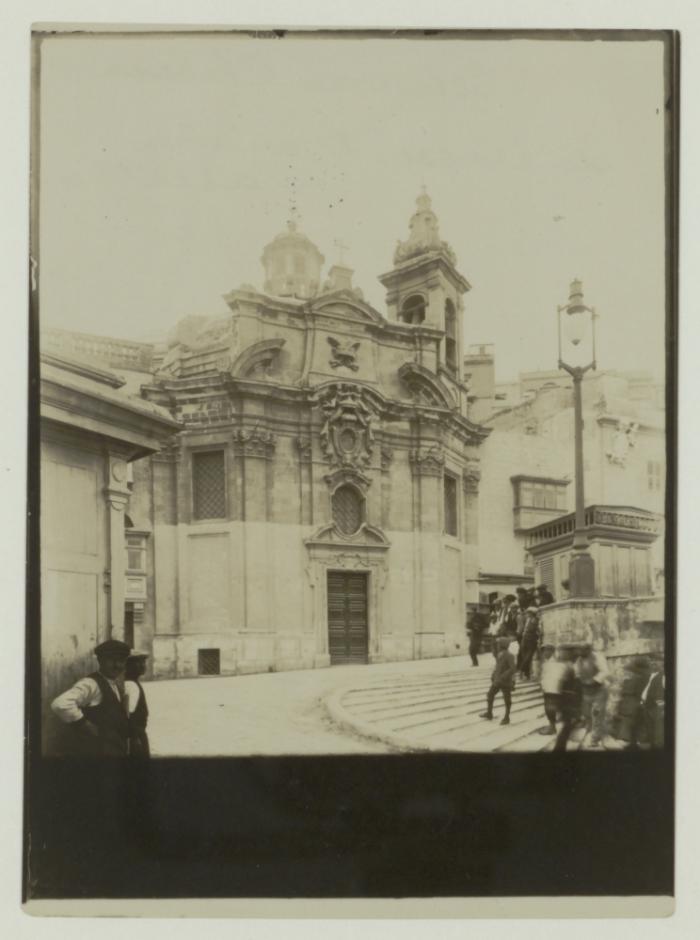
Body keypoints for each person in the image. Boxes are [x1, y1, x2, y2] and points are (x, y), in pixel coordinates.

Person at [51, 639, 132, 756]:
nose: (117, 665)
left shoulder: (114, 684)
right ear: (100, 660)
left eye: (121, 660)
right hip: (97, 753)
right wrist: (84, 724)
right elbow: (60, 704)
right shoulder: (91, 684)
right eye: (111, 660)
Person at [538, 644, 577, 750]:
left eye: (546, 650)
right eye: (543, 651)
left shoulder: (558, 661)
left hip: (555, 689)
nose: (544, 653)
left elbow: (558, 676)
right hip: (549, 688)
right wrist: (542, 684)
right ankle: (554, 727)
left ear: (551, 651)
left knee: (551, 709)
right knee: (550, 709)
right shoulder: (547, 661)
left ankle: (554, 728)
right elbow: (545, 674)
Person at [575, 643, 610, 748]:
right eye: (579, 650)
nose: (580, 652)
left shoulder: (597, 657)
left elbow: (605, 672)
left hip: (599, 690)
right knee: (586, 714)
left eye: (582, 650)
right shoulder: (579, 660)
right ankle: (591, 731)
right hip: (586, 691)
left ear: (588, 649)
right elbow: (577, 672)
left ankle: (595, 739)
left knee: (597, 714)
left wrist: (593, 680)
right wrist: (579, 679)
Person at [480, 636, 517, 726]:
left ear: (502, 645)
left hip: (505, 682)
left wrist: (503, 676)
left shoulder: (510, 655)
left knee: (507, 700)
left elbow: (512, 669)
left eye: (498, 644)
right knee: (490, 694)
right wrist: (493, 675)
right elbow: (497, 667)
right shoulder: (499, 655)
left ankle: (507, 717)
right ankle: (489, 713)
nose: (497, 646)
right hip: (497, 681)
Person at [125, 651, 151, 758]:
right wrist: (135, 738)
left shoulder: (132, 682)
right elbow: (128, 716)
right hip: (136, 734)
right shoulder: (130, 684)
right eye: (138, 663)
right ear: (128, 666)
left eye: (144, 662)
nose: (143, 666)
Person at [639, 657, 665, 748]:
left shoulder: (662, 675)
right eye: (652, 661)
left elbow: (664, 690)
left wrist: (661, 704)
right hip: (646, 704)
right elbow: (646, 689)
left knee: (658, 728)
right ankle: (651, 745)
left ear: (662, 663)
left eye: (657, 661)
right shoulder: (649, 675)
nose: (654, 663)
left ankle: (658, 748)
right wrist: (642, 700)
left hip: (656, 705)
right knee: (649, 727)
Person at [518, 607, 540, 680]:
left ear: (532, 613)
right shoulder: (530, 619)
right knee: (527, 656)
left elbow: (533, 629)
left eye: (528, 613)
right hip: (527, 639)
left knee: (527, 656)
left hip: (529, 639)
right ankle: (526, 673)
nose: (527, 614)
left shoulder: (533, 620)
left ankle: (523, 671)